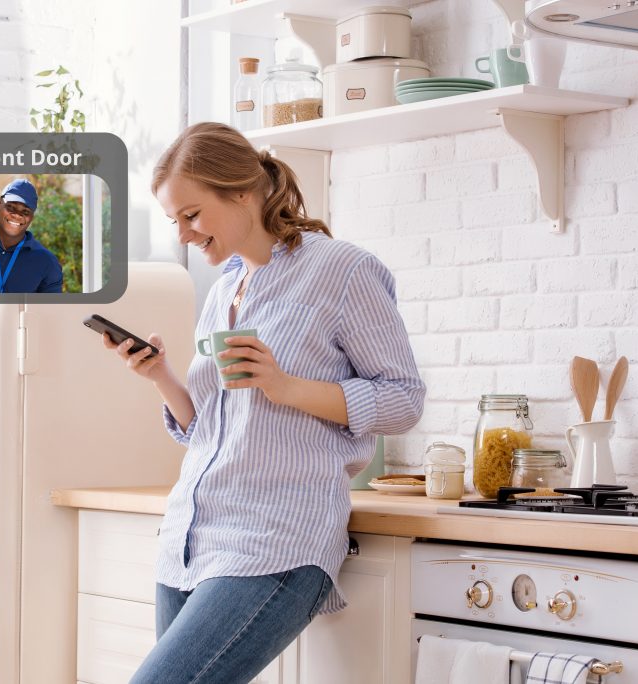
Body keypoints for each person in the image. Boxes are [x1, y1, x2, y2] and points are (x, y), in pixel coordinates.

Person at [101, 122, 426, 684]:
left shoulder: (342, 270)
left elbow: (403, 400)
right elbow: (210, 428)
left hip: (275, 541)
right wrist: (162, 377)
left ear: (243, 192)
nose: (183, 234)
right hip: (190, 539)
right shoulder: (226, 289)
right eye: (174, 221)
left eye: (192, 214)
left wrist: (287, 386)